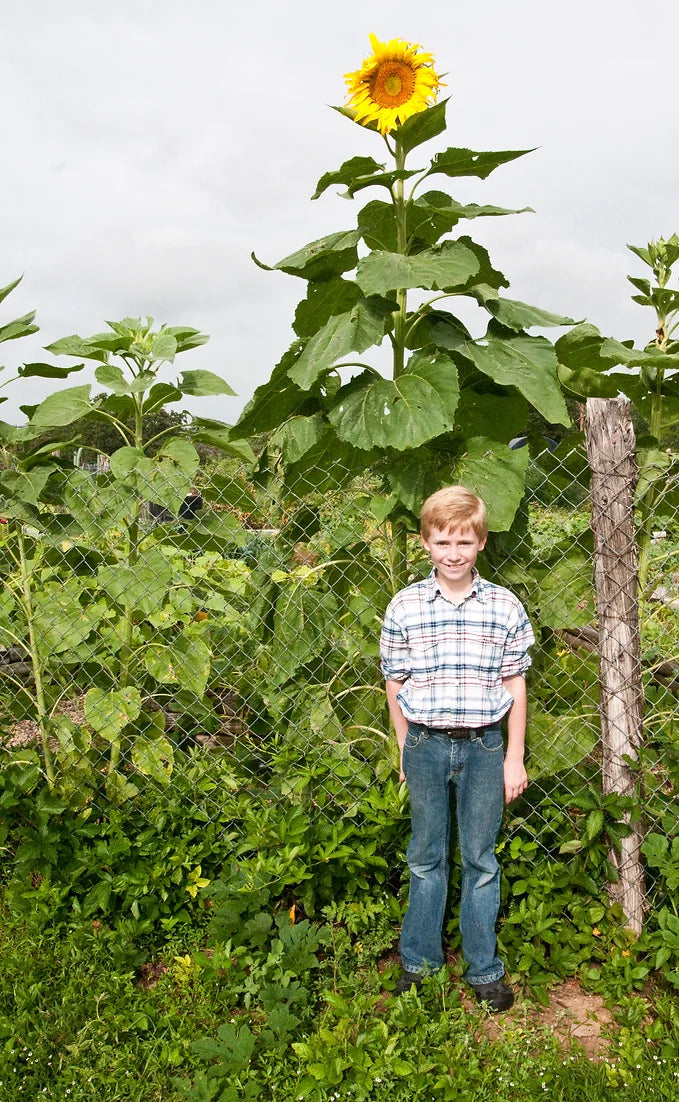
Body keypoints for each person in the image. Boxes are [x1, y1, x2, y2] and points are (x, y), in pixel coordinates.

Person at [380, 486, 534, 1012]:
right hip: (424, 744)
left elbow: (514, 684)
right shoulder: (405, 606)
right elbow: (395, 683)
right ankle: (419, 962)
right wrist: (404, 748)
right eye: (443, 540)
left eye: (464, 542)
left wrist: (514, 756)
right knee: (426, 856)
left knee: (480, 859)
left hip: (486, 748)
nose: (453, 552)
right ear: (425, 542)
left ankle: (483, 968)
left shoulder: (503, 606)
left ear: (481, 543)